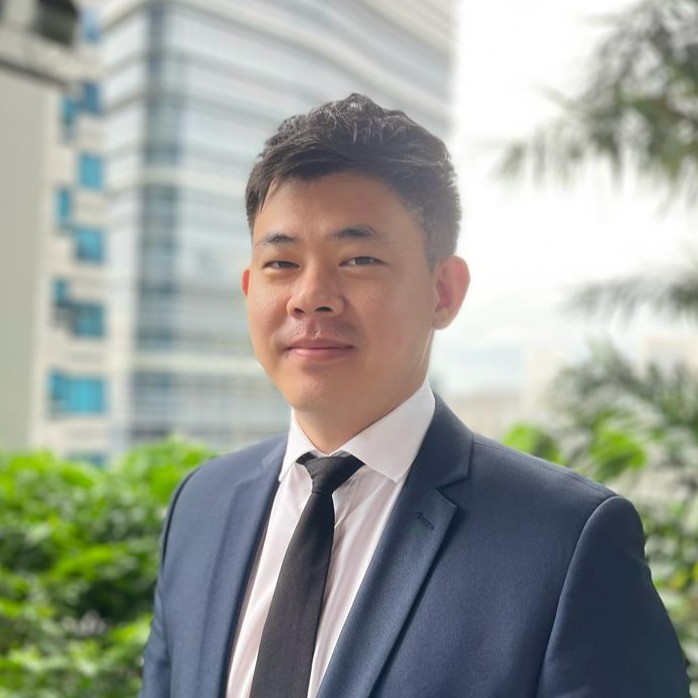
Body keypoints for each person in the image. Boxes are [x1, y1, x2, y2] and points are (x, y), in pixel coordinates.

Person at [139, 94, 689, 698]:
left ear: (443, 291)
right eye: (282, 263)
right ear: (248, 289)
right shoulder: (200, 506)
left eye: (359, 259)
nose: (310, 297)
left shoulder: (567, 543)